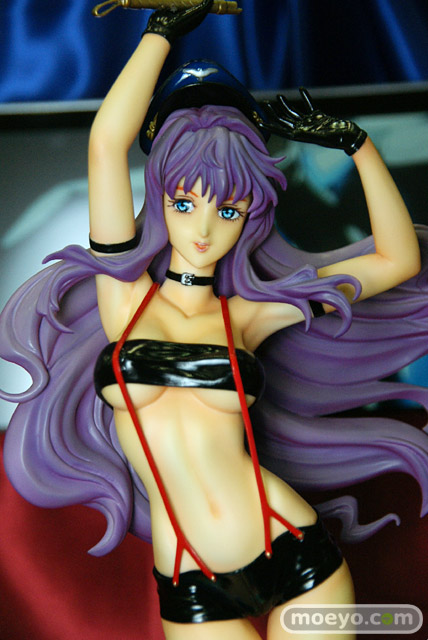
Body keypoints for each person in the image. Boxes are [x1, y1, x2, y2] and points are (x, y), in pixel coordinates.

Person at [2, 2, 428, 638]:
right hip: (189, 575)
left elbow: (397, 260)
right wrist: (160, 32)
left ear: (250, 218)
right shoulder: (123, 299)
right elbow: (106, 144)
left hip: (291, 545)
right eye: (184, 202)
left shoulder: (251, 315)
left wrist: (358, 146)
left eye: (228, 210)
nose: (203, 228)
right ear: (161, 200)